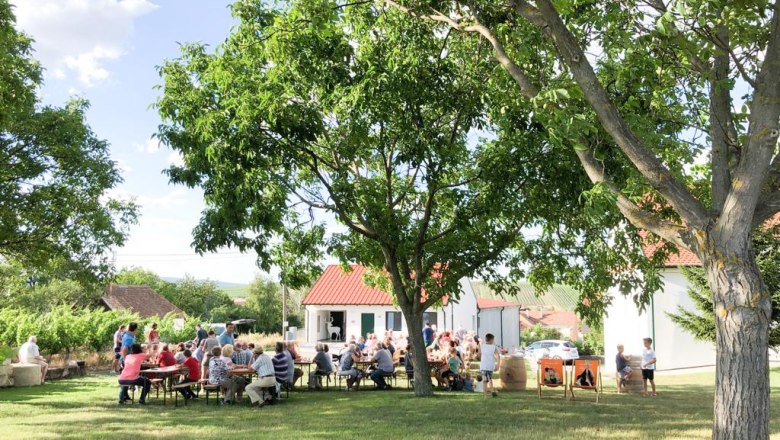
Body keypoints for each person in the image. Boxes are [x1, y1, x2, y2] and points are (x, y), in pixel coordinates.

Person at [480, 333, 500, 398]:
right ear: (491, 340)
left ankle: (485, 396)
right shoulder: (493, 347)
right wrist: (498, 365)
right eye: (493, 340)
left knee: (484, 381)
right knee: (490, 379)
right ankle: (492, 391)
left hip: (483, 365)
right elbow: (498, 356)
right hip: (490, 366)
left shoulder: (481, 346)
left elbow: (479, 354)